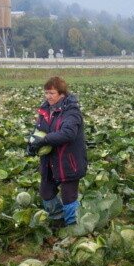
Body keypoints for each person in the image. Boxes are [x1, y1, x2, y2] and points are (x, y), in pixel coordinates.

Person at [27, 77, 87, 228]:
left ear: (62, 94)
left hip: (68, 161)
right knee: (46, 193)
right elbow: (39, 129)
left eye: (52, 93)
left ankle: (73, 229)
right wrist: (32, 143)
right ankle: (58, 219)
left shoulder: (71, 112)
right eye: (46, 93)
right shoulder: (45, 110)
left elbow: (68, 133)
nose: (48, 96)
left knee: (69, 197)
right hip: (49, 161)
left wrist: (45, 140)